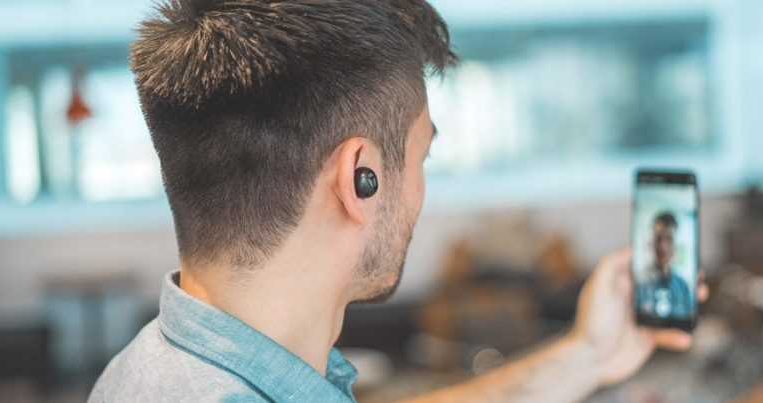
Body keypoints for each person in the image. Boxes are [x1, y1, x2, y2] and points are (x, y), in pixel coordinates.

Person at [89, 1, 707, 402]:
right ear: (361, 178)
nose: (420, 190)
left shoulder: (155, 366)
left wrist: (587, 355)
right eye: (421, 156)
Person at [636, 212, 693, 319]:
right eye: (658, 239)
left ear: (676, 245)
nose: (663, 247)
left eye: (669, 239)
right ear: (651, 243)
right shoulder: (638, 284)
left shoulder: (683, 286)